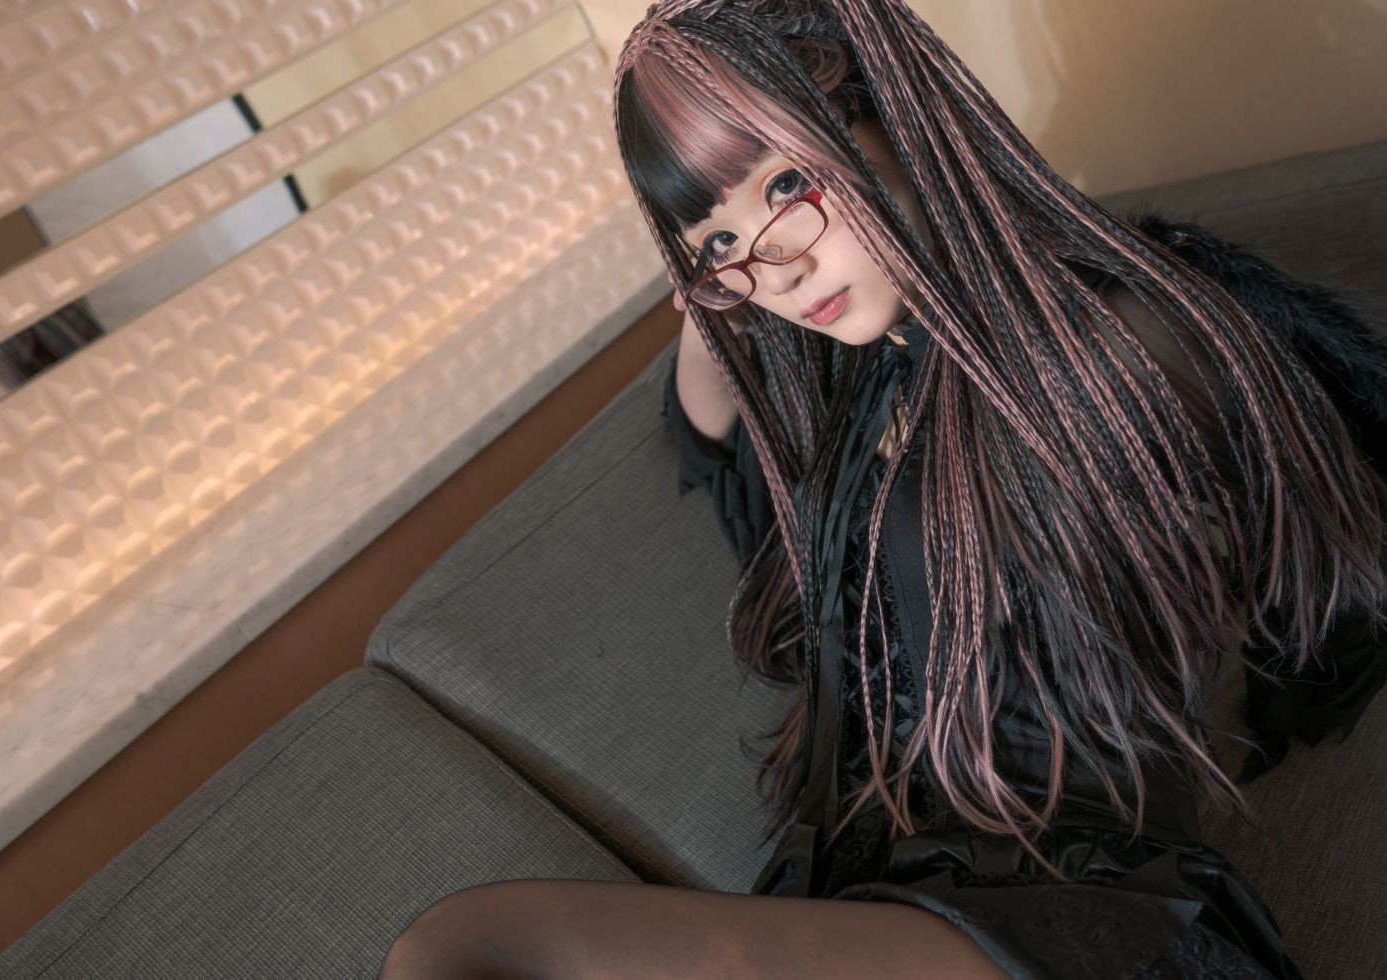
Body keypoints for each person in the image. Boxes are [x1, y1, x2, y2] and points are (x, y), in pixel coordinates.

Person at [379, 1, 1387, 976]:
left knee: (468, 941)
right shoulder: (865, 388)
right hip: (869, 895)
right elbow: (706, 437)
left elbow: (1307, 461)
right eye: (721, 244)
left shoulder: (1105, 339)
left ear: (893, 114)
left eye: (785, 185)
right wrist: (706, 273)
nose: (777, 270)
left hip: (1063, 911)